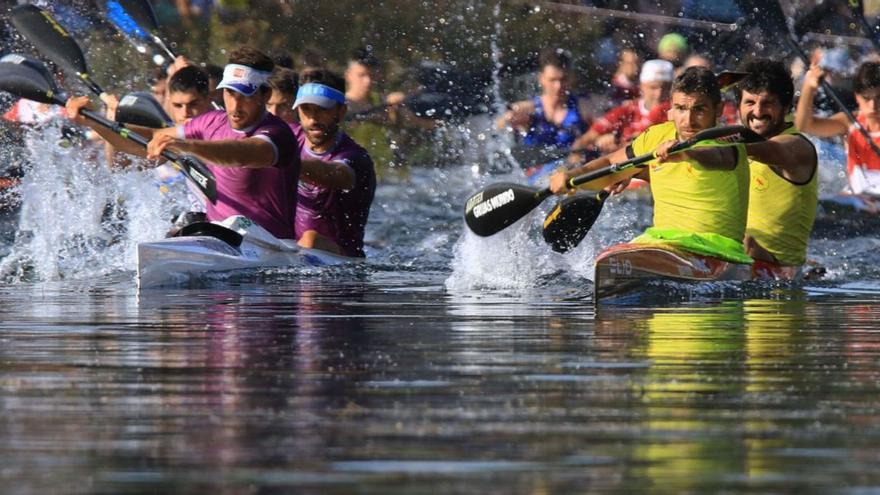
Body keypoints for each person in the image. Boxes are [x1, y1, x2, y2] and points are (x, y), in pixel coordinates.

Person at [65, 46, 300, 240]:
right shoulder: (210, 122)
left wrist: (186, 145)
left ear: (265, 95)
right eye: (230, 93)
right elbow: (150, 138)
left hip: (272, 246)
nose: (235, 106)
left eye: (246, 95)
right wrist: (95, 123)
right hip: (220, 239)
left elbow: (241, 154)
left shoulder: (278, 133)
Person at [550, 66, 752, 264]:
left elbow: (712, 156)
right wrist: (571, 177)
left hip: (718, 250)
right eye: (681, 109)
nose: (688, 120)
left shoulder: (728, 141)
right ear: (671, 109)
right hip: (662, 242)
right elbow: (612, 164)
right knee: (610, 258)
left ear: (718, 109)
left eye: (699, 109)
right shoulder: (656, 136)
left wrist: (685, 153)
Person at [736, 59, 818, 271]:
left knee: (745, 242)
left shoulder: (796, 147)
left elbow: (770, 149)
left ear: (787, 107)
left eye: (768, 103)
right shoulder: (740, 141)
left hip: (779, 272)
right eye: (750, 103)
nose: (758, 112)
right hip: (741, 259)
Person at [291, 69, 376, 257]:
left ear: (341, 111)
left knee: (310, 239)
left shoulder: (354, 157)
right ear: (298, 110)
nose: (313, 118)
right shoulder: (289, 138)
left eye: (322, 109)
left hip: (340, 259)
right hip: (291, 250)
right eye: (307, 109)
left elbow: (338, 175)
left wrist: (281, 162)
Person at [795, 60, 880, 196]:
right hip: (860, 202)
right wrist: (809, 87)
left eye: (879, 98)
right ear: (857, 97)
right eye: (866, 98)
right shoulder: (849, 122)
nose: (873, 106)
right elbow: (804, 125)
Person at [498, 47, 592, 161]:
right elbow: (499, 125)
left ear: (570, 78)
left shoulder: (584, 106)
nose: (558, 86)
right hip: (538, 173)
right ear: (541, 78)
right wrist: (509, 121)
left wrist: (588, 140)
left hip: (575, 169)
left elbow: (605, 128)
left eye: (563, 80)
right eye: (552, 80)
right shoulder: (526, 108)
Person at [569, 59, 673, 156]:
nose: (659, 94)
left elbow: (641, 144)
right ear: (641, 86)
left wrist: (617, 145)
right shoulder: (627, 110)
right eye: (653, 87)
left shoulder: (674, 112)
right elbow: (586, 139)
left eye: (666, 88)